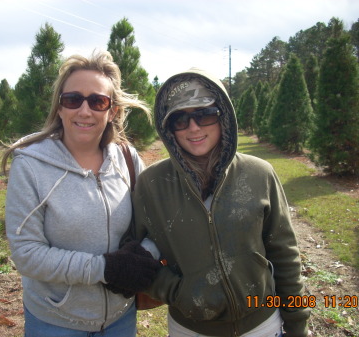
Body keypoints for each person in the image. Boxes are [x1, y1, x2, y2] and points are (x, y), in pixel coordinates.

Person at [129, 68, 310, 336]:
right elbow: (132, 252)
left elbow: (284, 255)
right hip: (189, 329)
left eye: (204, 114)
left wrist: (297, 325)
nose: (193, 127)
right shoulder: (152, 184)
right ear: (169, 128)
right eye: (180, 119)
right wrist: (177, 292)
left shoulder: (260, 174)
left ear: (222, 116)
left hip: (262, 324)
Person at [2, 50, 161, 337]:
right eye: (73, 100)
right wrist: (105, 268)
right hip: (55, 321)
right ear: (60, 107)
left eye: (97, 101)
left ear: (111, 110)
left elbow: (156, 226)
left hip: (120, 319)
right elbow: (26, 253)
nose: (84, 111)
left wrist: (142, 258)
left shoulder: (126, 159)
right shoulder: (31, 165)